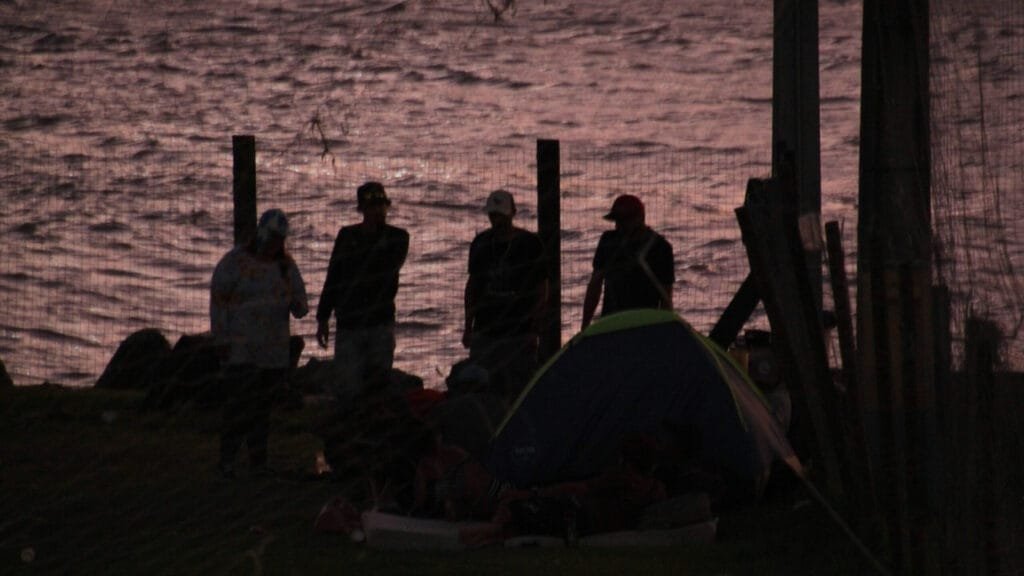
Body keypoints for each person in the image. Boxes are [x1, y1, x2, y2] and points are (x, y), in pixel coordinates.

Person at [210, 208, 309, 478]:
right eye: (273, 238)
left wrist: (298, 303)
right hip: (241, 349)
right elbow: (218, 301)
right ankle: (227, 461)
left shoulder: (286, 266)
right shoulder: (234, 262)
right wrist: (221, 337)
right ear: (261, 234)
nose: (276, 244)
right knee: (239, 406)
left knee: (262, 410)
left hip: (272, 351)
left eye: (280, 239)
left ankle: (258, 462)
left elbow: (301, 305)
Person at [316, 181, 409, 404]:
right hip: (350, 321)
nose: (378, 211)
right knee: (348, 387)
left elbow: (388, 266)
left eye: (381, 206)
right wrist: (323, 316)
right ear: (362, 209)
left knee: (378, 385)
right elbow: (334, 276)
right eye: (372, 207)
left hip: (380, 320)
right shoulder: (347, 236)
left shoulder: (397, 237)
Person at [462, 189, 548, 400]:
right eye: (493, 215)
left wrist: (535, 324)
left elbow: (541, 286)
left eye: (500, 215)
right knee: (484, 385)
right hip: (486, 327)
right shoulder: (481, 243)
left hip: (519, 328)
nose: (496, 220)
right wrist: (468, 325)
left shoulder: (530, 243)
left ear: (512, 213)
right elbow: (473, 285)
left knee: (521, 387)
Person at [581, 194, 675, 330]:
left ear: (640, 219)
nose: (619, 226)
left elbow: (666, 297)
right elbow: (595, 286)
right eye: (617, 221)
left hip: (646, 325)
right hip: (611, 322)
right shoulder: (608, 241)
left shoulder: (661, 248)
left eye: (624, 221)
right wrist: (585, 326)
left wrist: (665, 330)